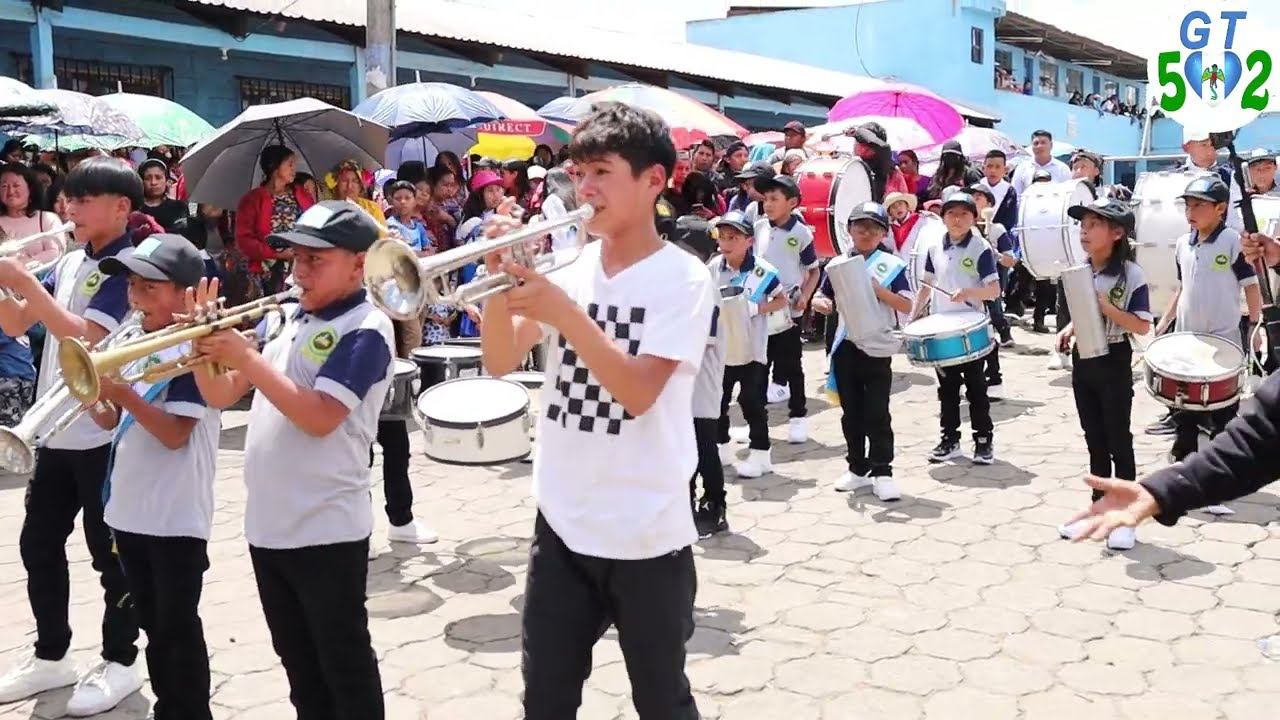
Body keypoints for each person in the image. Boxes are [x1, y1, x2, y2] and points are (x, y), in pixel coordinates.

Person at [478, 102, 714, 720]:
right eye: (579, 173)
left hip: (647, 531)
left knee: (661, 701)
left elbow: (637, 393)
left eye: (602, 172)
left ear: (654, 180)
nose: (584, 189)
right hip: (561, 523)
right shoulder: (572, 266)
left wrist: (566, 313)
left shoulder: (684, 280)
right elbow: (500, 359)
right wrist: (498, 283)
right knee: (545, 701)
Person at [187, 201, 393, 719]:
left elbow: (320, 416)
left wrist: (246, 357)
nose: (299, 270)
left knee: (344, 666)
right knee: (299, 667)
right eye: (296, 257)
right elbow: (220, 394)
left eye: (315, 259)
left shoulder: (367, 328)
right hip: (269, 527)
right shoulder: (286, 319)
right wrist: (202, 349)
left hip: (326, 528)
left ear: (360, 264)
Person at [0, 157, 143, 715]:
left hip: (103, 433)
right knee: (37, 544)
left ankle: (122, 659)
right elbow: (16, 323)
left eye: (84, 200)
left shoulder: (127, 268)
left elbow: (85, 336)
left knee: (110, 555)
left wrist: (23, 283)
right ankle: (51, 654)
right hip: (54, 433)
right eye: (69, 199)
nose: (70, 208)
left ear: (121, 208)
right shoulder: (69, 260)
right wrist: (8, 287)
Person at [87, 234, 218, 720]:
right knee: (152, 627)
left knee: (177, 628)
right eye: (132, 286)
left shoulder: (195, 353)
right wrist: (91, 392)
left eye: (150, 287)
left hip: (175, 516)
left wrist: (124, 395)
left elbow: (175, 434)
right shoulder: (134, 342)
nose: (136, 297)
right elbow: (112, 422)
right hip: (130, 510)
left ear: (187, 294)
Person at [1053, 198, 1152, 550]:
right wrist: (1068, 330)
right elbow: (1080, 315)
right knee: (1094, 439)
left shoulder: (1131, 274)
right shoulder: (1079, 271)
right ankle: (1098, 509)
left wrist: (1107, 307)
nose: (1084, 231)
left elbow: (1141, 326)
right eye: (1083, 225)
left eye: (1094, 224)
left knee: (1118, 439)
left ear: (1117, 233)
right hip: (1084, 361)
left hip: (1114, 359)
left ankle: (1126, 516)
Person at [1156, 177, 1261, 497]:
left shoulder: (1232, 242)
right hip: (1187, 340)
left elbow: (1251, 286)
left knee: (1224, 413)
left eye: (1199, 205)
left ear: (1220, 208)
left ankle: (1220, 483)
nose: (1191, 211)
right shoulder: (1182, 244)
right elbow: (1182, 287)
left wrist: (1254, 327)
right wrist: (1165, 322)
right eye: (1188, 205)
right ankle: (1183, 470)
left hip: (1223, 340)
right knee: (1184, 409)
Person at [812, 201, 912, 501]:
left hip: (877, 346)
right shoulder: (837, 265)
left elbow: (906, 304)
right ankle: (858, 468)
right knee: (851, 412)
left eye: (874, 228)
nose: (866, 233)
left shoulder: (891, 265)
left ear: (883, 233)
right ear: (849, 229)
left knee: (877, 412)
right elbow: (822, 295)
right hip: (845, 346)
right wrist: (820, 303)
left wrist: (878, 290)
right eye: (860, 226)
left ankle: (883, 471)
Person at [912, 191, 1002, 465]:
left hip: (970, 328)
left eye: (964, 214)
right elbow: (926, 286)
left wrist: (968, 292)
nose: (957, 219)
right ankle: (949, 440)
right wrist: (913, 319)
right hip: (943, 329)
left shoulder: (980, 248)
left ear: (974, 218)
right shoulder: (933, 248)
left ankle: (983, 441)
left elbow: (994, 290)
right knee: (947, 389)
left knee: (976, 388)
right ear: (943, 218)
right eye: (951, 213)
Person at [712, 211, 788, 479]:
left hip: (752, 348)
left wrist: (757, 308)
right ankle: (721, 447)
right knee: (718, 401)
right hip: (722, 349)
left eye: (733, 237)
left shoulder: (763, 271)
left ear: (749, 241)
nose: (726, 243)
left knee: (751, 402)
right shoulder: (714, 268)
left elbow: (782, 299)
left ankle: (760, 454)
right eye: (722, 237)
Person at [671, 215, 728, 537]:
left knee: (704, 448)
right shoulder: (683, 281)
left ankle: (715, 505)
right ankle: (685, 503)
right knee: (683, 448)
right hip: (681, 383)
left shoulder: (701, 283)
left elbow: (701, 339)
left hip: (700, 382)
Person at [755, 175, 820, 442]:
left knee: (791, 365)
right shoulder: (759, 227)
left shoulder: (801, 233)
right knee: (759, 366)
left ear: (792, 203)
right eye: (765, 199)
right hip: (761, 306)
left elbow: (814, 271)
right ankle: (758, 425)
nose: (768, 204)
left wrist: (805, 295)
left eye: (774, 199)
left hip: (788, 310)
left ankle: (798, 418)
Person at [966, 183, 1016, 395]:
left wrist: (995, 254)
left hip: (990, 285)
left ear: (989, 203)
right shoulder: (961, 230)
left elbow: (1011, 260)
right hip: (967, 289)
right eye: (972, 196)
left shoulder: (997, 229)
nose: (975, 200)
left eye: (980, 197)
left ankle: (994, 377)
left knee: (990, 322)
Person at [1010, 129, 1071, 195]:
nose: (1039, 146)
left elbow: (1068, 194)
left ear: (1051, 145)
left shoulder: (1062, 168)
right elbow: (1016, 194)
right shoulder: (1022, 168)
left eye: (1043, 143)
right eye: (1036, 143)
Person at [136, 158, 189, 233]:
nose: (153, 182)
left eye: (158, 178)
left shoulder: (179, 207)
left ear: (167, 181)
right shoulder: (135, 209)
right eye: (148, 178)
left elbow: (182, 233)